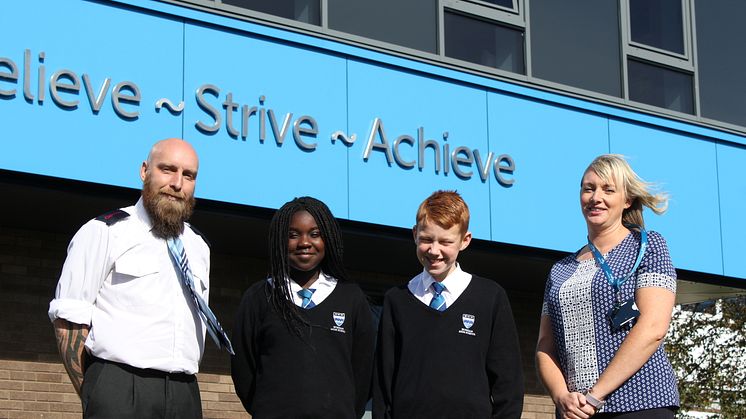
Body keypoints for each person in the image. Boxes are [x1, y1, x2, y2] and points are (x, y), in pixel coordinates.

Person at [48, 138, 233, 419]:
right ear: (144, 171)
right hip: (119, 388)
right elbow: (69, 319)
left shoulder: (199, 246)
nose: (177, 183)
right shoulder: (104, 231)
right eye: (168, 169)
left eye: (188, 175)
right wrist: (96, 393)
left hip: (185, 393)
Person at [536, 154, 679, 419]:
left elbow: (653, 328)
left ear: (627, 200)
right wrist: (561, 397)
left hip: (641, 405)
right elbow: (545, 346)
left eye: (608, 189)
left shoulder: (648, 247)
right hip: (575, 412)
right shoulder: (560, 270)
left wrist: (595, 396)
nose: (595, 197)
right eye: (588, 188)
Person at [373, 190, 524, 419]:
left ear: (465, 240)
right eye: (426, 240)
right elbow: (383, 385)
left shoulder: (490, 298)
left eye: (445, 242)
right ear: (415, 234)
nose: (434, 251)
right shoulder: (397, 300)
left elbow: (508, 385)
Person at [231, 196, 375, 419]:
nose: (304, 242)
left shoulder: (351, 298)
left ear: (327, 239)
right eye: (293, 235)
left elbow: (364, 371)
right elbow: (243, 369)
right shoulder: (259, 297)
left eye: (314, 234)